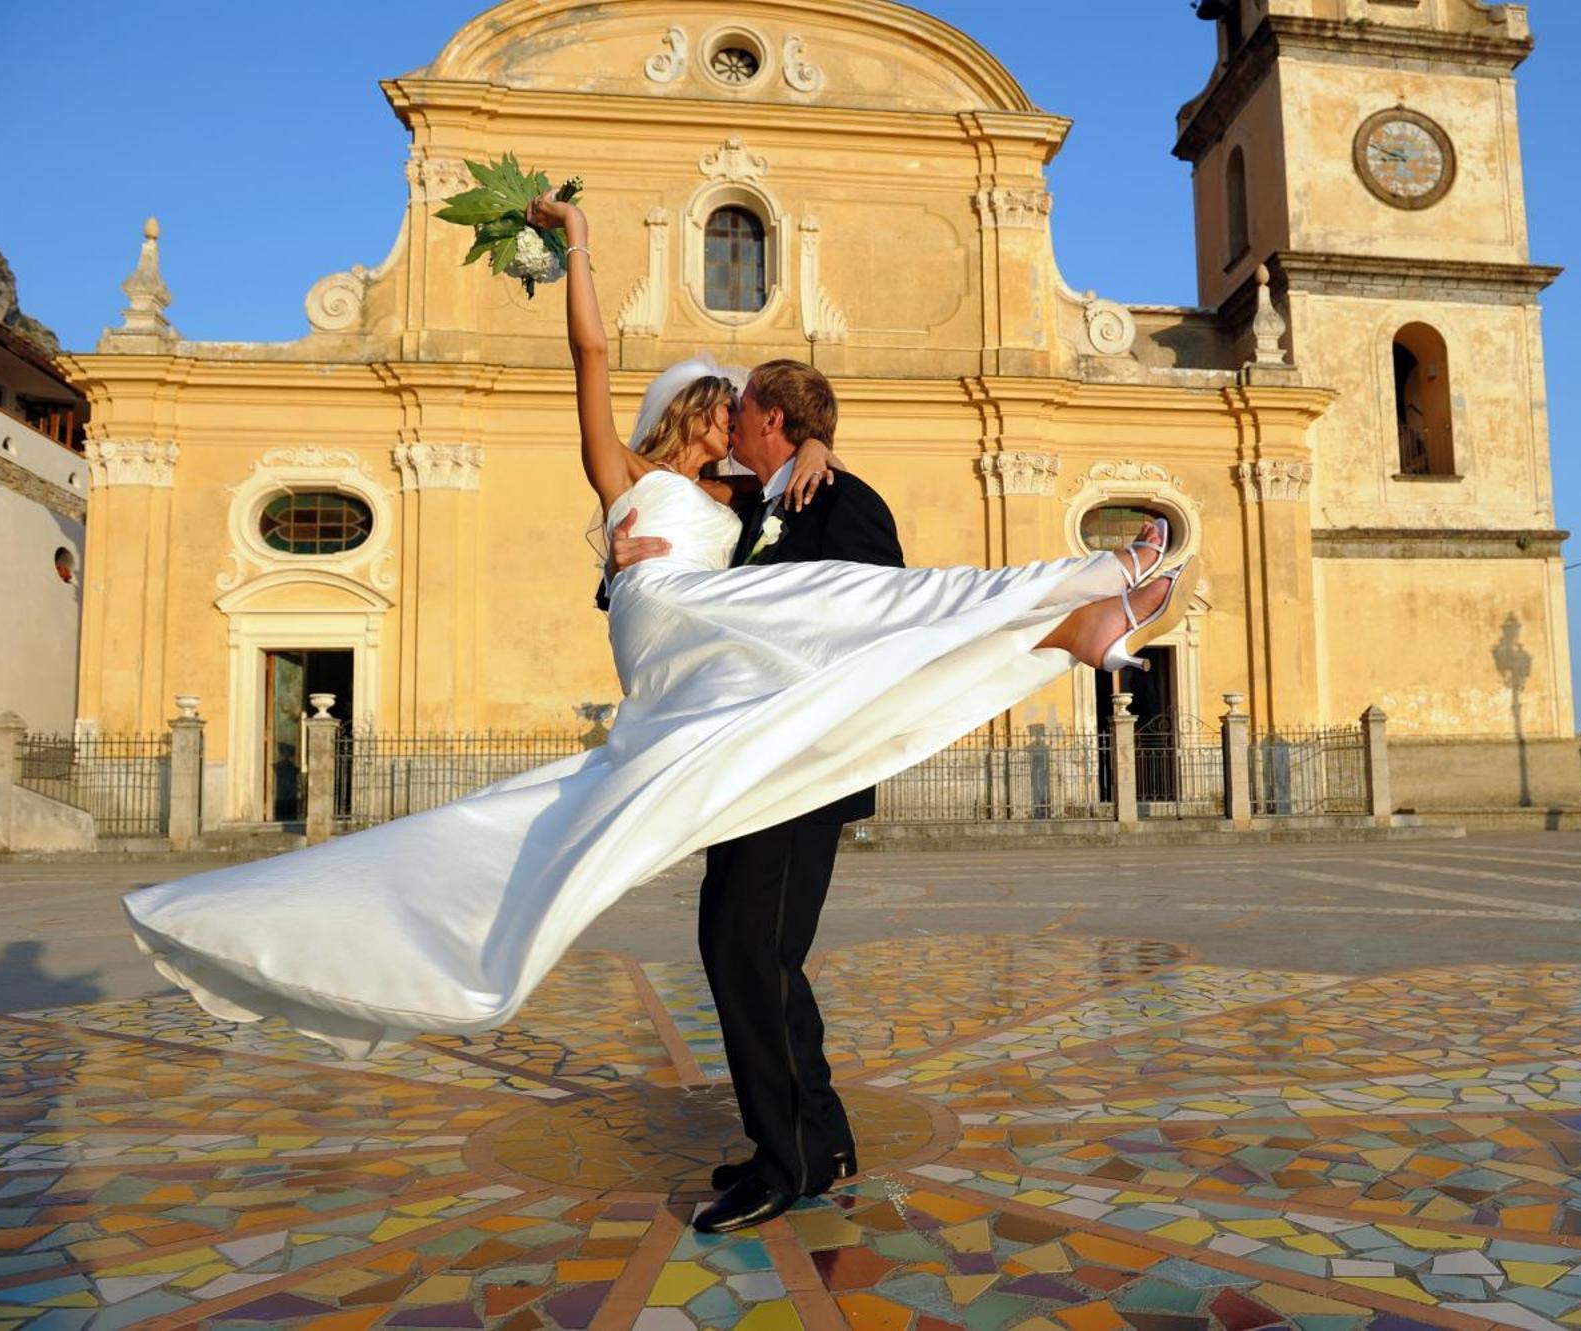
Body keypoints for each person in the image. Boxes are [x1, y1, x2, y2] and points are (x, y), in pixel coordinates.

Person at [121, 189, 1197, 1235]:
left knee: (750, 935)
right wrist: (578, 249)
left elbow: (836, 562)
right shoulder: (634, 475)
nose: (737, 428)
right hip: (683, 671)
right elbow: (590, 359)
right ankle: (809, 1138)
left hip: (758, 719)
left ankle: (1078, 610)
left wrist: (817, 446)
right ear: (696, 416)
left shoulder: (767, 497)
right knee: (727, 935)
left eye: (751, 420)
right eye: (725, 412)